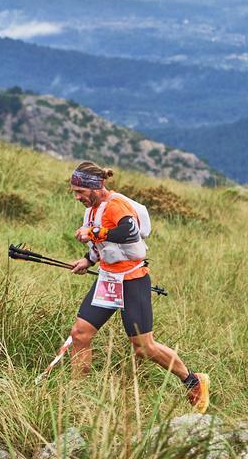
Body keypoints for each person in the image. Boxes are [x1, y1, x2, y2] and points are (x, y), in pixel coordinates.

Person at [66, 161, 210, 413]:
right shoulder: (91, 211)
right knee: (80, 334)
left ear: (95, 187)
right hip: (108, 280)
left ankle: (193, 380)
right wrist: (87, 259)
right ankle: (77, 397)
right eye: (74, 192)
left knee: (144, 347)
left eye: (80, 191)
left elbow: (129, 232)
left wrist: (94, 233)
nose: (76, 197)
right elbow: (105, 247)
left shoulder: (115, 205)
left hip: (133, 281)